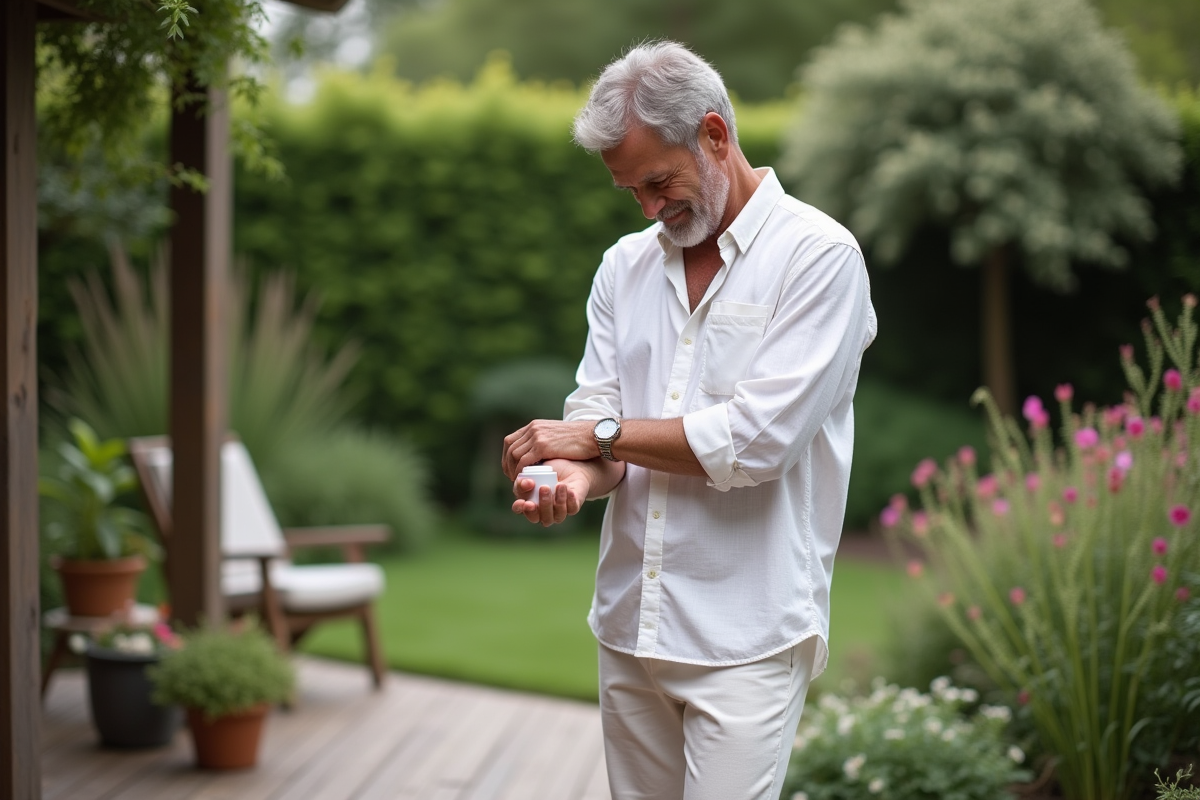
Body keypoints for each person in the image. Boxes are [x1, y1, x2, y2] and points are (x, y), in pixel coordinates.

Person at [501, 41, 877, 800]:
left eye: (657, 181)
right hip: (628, 627)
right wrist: (571, 480)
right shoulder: (623, 268)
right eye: (628, 191)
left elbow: (754, 444)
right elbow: (596, 427)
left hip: (749, 635)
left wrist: (597, 438)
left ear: (714, 134)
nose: (647, 207)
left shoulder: (819, 257)